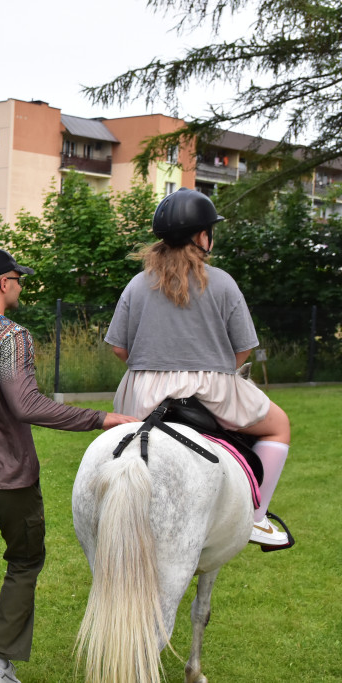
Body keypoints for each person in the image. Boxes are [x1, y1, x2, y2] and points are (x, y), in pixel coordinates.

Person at [0, 249, 134, 683]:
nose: (20, 285)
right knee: (25, 558)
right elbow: (27, 404)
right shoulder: (11, 337)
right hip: (10, 478)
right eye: (18, 279)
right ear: (4, 284)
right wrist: (102, 419)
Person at [105, 187, 293, 549]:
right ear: (201, 236)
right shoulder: (221, 281)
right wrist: (218, 369)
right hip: (210, 388)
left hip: (142, 390)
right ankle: (256, 518)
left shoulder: (137, 284)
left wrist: (150, 367)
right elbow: (244, 349)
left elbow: (117, 347)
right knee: (279, 426)